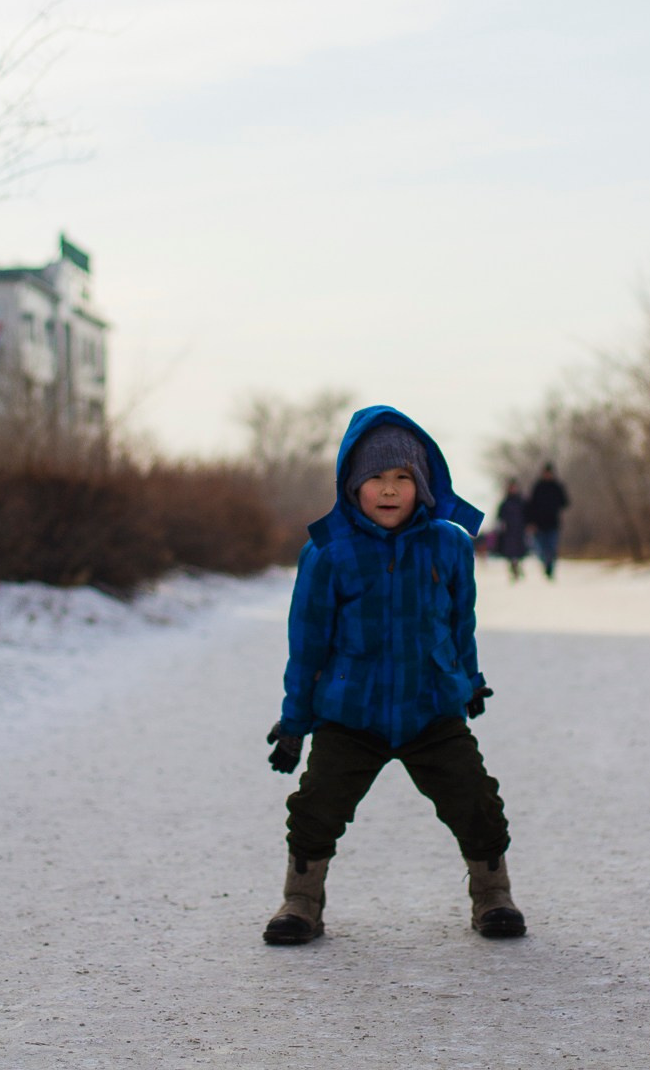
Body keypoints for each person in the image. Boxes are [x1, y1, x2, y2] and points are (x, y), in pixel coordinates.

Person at [263, 405, 527, 945]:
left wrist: (469, 681)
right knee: (316, 808)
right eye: (375, 479)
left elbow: (460, 621)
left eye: (402, 478)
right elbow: (307, 643)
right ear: (351, 485)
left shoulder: (450, 545)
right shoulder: (328, 554)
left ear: (422, 482)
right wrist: (295, 723)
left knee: (476, 801)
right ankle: (301, 900)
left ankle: (493, 894)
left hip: (430, 706)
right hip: (350, 712)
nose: (389, 490)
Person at [526, 462, 570, 579]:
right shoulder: (537, 487)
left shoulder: (557, 487)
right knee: (540, 548)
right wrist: (530, 522)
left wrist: (556, 505)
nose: (547, 475)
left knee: (552, 547)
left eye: (549, 473)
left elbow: (565, 502)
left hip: (553, 523)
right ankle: (546, 563)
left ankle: (550, 566)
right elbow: (530, 506)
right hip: (539, 524)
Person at [496, 477, 528, 580]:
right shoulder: (505, 503)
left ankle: (518, 567)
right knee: (510, 551)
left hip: (520, 530)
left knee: (519, 551)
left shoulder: (521, 502)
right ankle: (513, 568)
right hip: (509, 531)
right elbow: (500, 516)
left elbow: (527, 514)